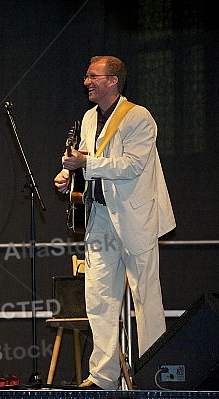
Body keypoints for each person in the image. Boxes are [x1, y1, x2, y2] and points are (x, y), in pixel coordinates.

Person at [54, 56, 176, 389]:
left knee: (145, 298)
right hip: (100, 218)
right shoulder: (89, 118)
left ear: (113, 80)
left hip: (136, 218)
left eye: (93, 76)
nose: (86, 82)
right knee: (99, 298)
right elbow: (85, 156)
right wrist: (68, 174)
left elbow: (131, 165)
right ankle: (104, 377)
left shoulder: (139, 117)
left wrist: (85, 162)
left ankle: (155, 372)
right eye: (86, 76)